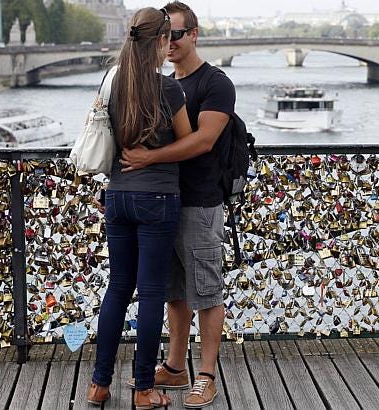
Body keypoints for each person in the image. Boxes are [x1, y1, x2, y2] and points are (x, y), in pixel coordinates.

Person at [120, 2, 235, 408]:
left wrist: (148, 158)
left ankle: (206, 375)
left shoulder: (215, 84)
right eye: (166, 36)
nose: (170, 42)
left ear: (195, 34)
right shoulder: (164, 83)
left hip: (200, 202)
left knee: (206, 290)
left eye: (178, 34)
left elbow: (203, 141)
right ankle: (174, 365)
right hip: (163, 202)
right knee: (173, 291)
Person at [85, 7, 192, 409]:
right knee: (150, 294)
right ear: (162, 42)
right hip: (158, 199)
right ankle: (145, 389)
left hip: (117, 195)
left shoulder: (113, 81)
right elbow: (187, 142)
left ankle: (98, 385)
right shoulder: (168, 89)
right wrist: (157, 154)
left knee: (116, 288)